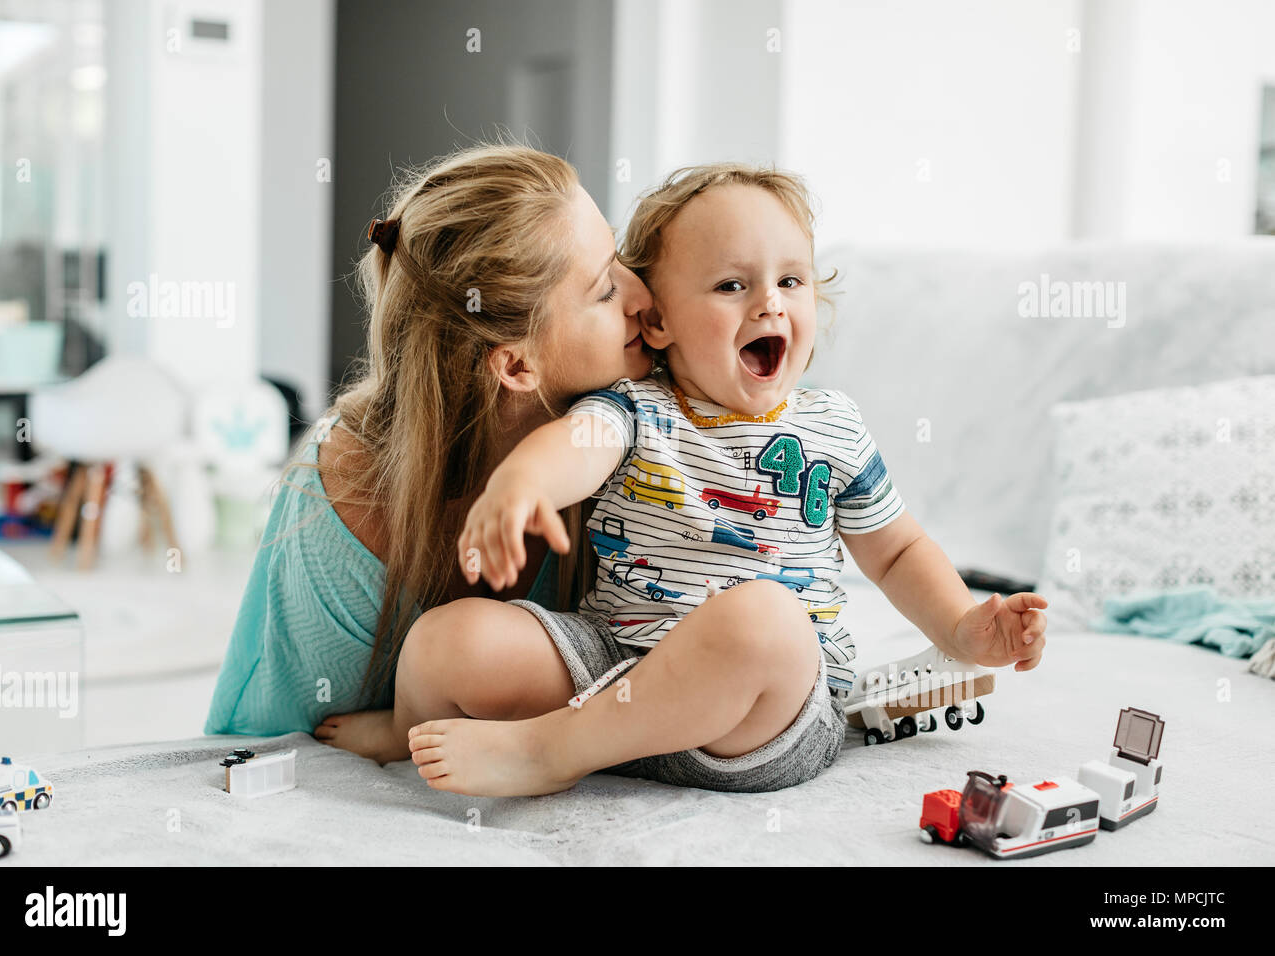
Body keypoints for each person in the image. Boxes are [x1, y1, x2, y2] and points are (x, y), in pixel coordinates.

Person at [402, 162, 1050, 795]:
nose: (769, 301)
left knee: (767, 621)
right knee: (449, 638)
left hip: (761, 717)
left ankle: (548, 752)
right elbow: (576, 446)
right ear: (658, 320)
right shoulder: (636, 406)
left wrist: (962, 627)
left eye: (791, 280)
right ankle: (408, 732)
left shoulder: (834, 428)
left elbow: (901, 550)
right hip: (613, 671)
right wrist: (522, 485)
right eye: (731, 286)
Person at [204, 144, 654, 757]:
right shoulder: (343, 493)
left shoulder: (631, 427)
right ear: (516, 364)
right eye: (605, 290)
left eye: (621, 260)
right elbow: (279, 744)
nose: (643, 296)